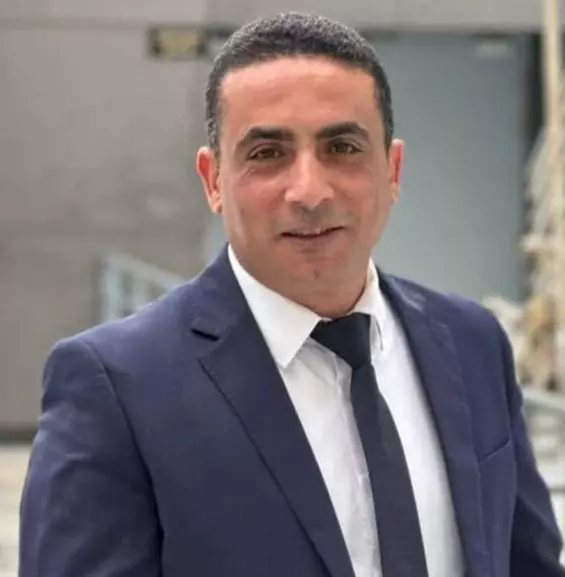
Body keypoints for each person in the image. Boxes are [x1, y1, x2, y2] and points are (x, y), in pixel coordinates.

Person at [19, 11, 565, 577]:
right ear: (212, 181)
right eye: (267, 154)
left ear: (392, 170)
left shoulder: (472, 343)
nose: (309, 191)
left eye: (342, 147)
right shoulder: (118, 388)